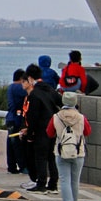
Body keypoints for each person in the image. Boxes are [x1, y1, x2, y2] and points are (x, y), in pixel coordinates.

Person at [46, 91, 90, 201]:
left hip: (61, 152)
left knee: (64, 179)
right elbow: (87, 132)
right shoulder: (81, 117)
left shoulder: (56, 117)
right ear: (75, 102)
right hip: (78, 152)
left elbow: (49, 133)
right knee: (75, 180)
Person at [21, 62, 61, 193]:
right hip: (53, 128)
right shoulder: (50, 89)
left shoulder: (34, 94)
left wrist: (30, 133)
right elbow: (61, 102)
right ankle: (53, 183)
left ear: (31, 78)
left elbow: (33, 117)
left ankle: (41, 183)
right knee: (50, 156)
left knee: (40, 157)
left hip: (40, 129)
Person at [5, 69, 28, 175]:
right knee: (17, 144)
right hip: (16, 119)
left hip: (9, 118)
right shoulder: (18, 87)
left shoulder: (10, 87)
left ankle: (11, 166)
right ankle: (23, 166)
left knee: (10, 143)